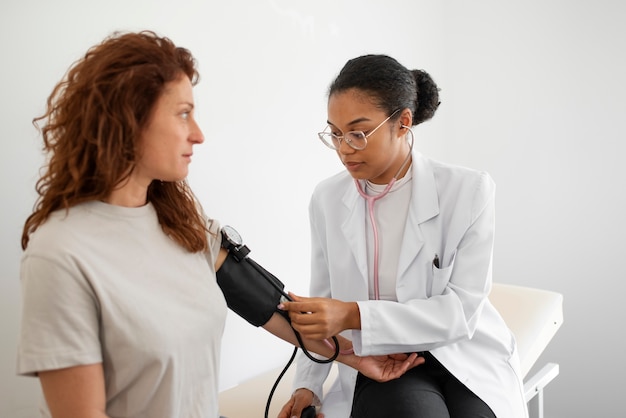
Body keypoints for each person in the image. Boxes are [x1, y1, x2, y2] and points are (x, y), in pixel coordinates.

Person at [16, 33, 422, 418]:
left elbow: (275, 307)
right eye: (183, 114)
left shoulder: (184, 225)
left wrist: (351, 355)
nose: (198, 134)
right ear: (128, 120)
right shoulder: (62, 253)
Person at [277, 55, 528, 418]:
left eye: (358, 133)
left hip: (463, 355)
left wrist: (354, 315)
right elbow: (322, 301)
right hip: (381, 358)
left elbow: (460, 313)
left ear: (403, 122)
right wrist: (308, 386)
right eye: (334, 133)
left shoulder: (468, 191)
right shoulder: (328, 199)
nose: (344, 147)